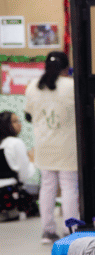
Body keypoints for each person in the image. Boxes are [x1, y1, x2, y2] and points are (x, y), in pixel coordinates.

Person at [23, 51, 79, 243]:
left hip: (44, 145)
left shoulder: (33, 86)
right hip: (67, 145)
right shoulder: (71, 86)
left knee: (47, 186)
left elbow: (28, 115)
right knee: (69, 187)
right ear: (66, 67)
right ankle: (70, 229)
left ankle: (47, 231)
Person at [0, 111, 38, 222]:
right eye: (15, 121)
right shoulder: (15, 143)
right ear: (5, 125)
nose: (20, 124)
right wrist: (32, 160)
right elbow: (24, 175)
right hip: (10, 196)